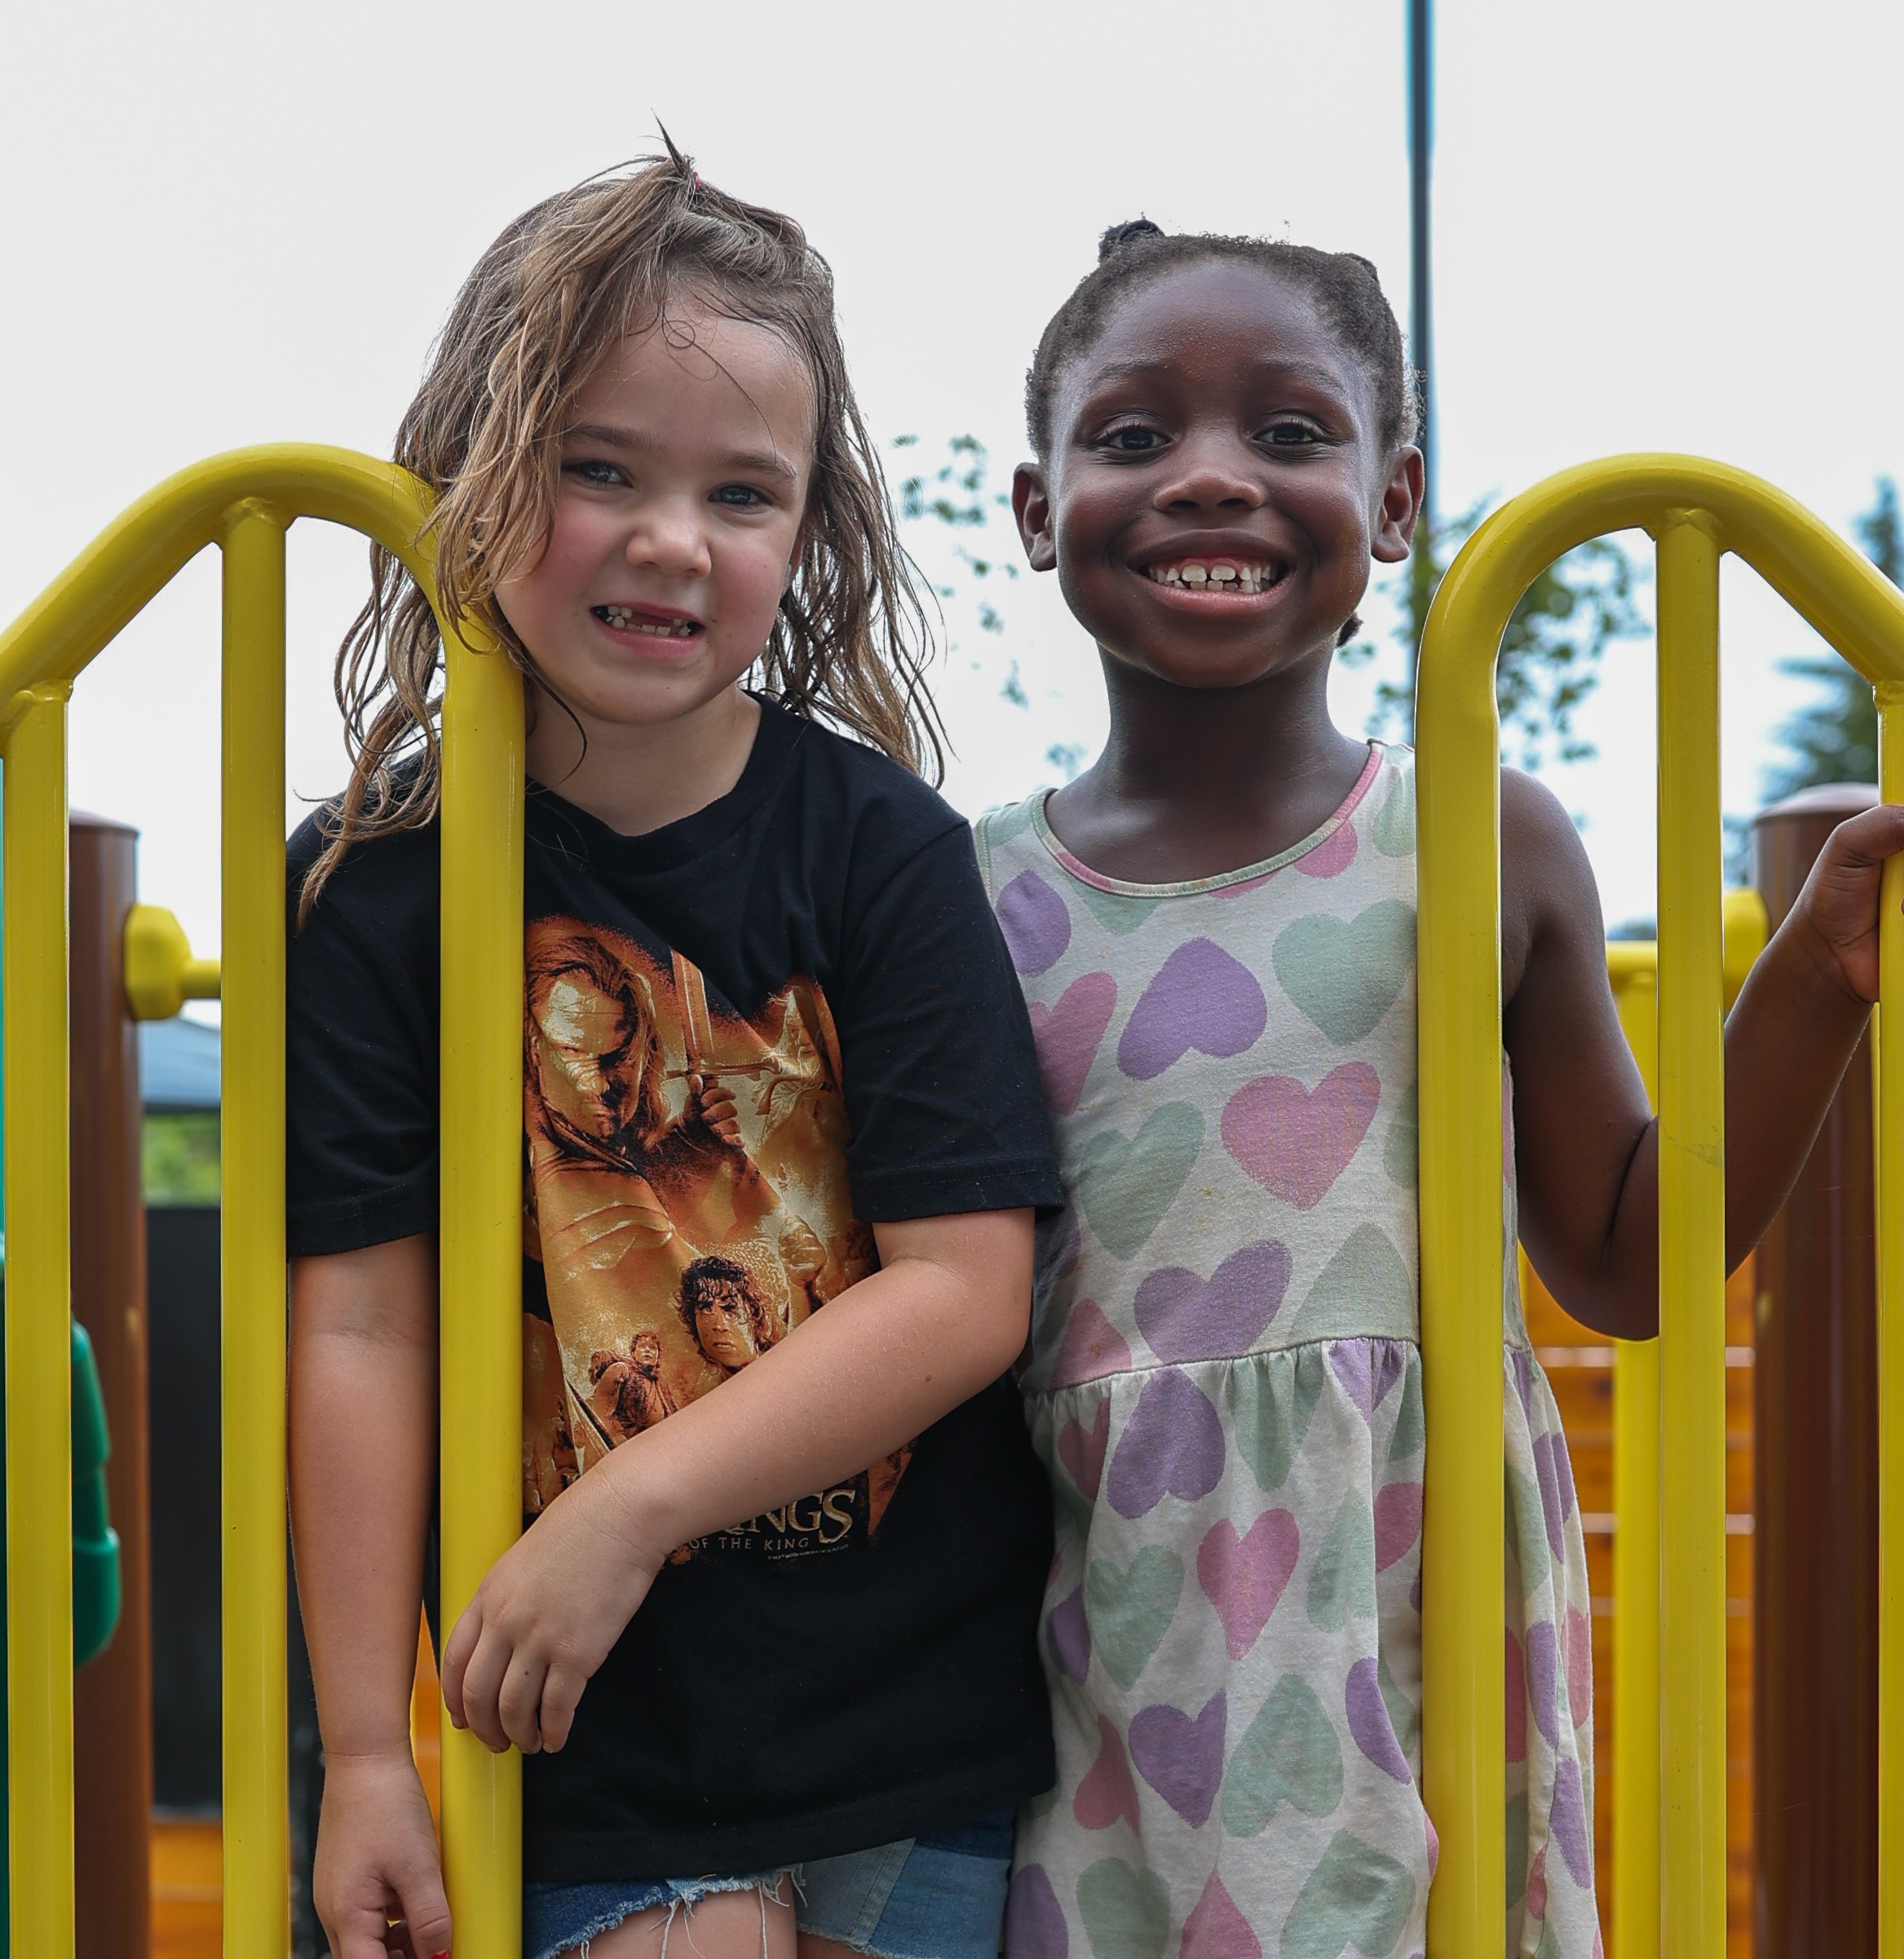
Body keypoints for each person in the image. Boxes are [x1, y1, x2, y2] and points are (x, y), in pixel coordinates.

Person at [975, 219, 1904, 1959]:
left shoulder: (1471, 835)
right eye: (1129, 435)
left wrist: (1814, 978)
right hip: (1095, 1619)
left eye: (1288, 432)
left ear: (1394, 503)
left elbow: (1628, 1256)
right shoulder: (976, 898)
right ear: (1038, 509)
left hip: (1407, 1600)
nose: (1208, 479)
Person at [286, 150, 1062, 1959]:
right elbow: (361, 1323)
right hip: (589, 1741)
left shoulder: (878, 847)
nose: (668, 538)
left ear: (806, 536)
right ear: (478, 470)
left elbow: (965, 1289)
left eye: (740, 492)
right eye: (598, 467)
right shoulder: (373, 891)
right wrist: (361, 1757)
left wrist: (628, 1508)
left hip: (908, 1721)